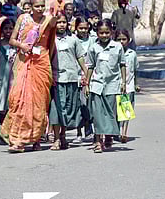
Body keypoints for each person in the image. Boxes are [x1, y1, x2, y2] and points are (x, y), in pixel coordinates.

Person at [3, 0, 57, 153]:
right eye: (37, 6)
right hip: (24, 62)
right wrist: (22, 46)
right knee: (19, 101)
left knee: (39, 103)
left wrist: (55, 16)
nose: (40, 9)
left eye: (42, 6)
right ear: (31, 7)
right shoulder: (23, 19)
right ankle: (17, 140)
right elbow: (12, 40)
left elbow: (54, 29)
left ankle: (36, 139)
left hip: (41, 64)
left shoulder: (48, 20)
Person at [85, 19, 126, 153]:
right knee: (97, 115)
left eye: (107, 33)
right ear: (97, 33)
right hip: (97, 85)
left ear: (111, 32)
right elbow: (90, 66)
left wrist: (123, 82)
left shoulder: (117, 47)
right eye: (101, 33)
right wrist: (87, 83)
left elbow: (122, 64)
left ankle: (109, 135)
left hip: (112, 85)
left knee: (110, 113)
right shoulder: (93, 47)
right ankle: (97, 140)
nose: (104, 35)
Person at [49, 12, 88, 150]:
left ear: (68, 24)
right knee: (56, 110)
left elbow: (80, 57)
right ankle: (56, 139)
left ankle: (64, 136)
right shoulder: (50, 39)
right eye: (58, 22)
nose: (61, 25)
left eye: (64, 22)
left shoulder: (74, 39)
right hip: (56, 79)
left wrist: (85, 74)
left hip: (71, 79)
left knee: (68, 109)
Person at [73, 16, 95, 143]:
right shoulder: (73, 40)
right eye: (81, 28)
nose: (83, 30)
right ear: (76, 28)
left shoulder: (93, 40)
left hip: (90, 75)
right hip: (76, 76)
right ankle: (78, 132)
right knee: (78, 105)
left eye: (86, 28)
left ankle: (89, 130)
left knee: (88, 104)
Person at [115, 29, 139, 143]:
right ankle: (115, 131)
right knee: (115, 110)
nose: (121, 42)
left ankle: (124, 133)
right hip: (115, 86)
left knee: (126, 110)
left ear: (128, 40)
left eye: (123, 39)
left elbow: (135, 70)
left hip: (128, 85)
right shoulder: (113, 52)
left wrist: (136, 83)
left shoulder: (132, 54)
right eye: (118, 39)